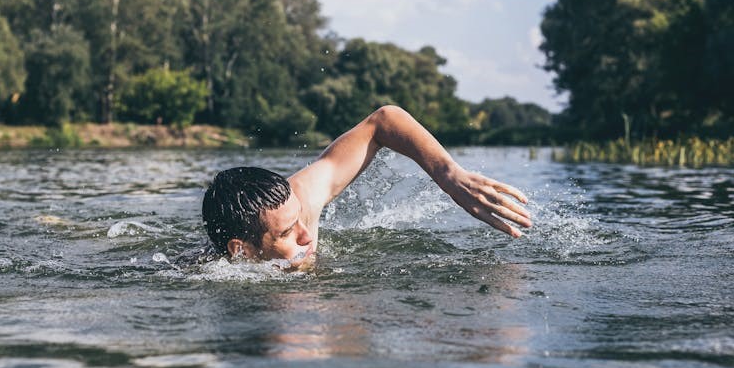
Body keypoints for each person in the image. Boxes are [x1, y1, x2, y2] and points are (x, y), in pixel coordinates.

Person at [202, 105, 532, 267]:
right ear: (241, 251)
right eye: (287, 233)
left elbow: (382, 121)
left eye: (300, 217)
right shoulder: (210, 274)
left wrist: (450, 175)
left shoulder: (301, 196)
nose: (307, 234)